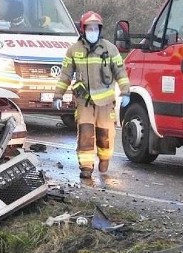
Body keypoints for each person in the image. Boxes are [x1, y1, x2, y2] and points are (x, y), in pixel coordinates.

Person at [52, 11, 130, 179]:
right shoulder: (74, 50)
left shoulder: (110, 49)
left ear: (100, 29)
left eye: (96, 28)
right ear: (83, 29)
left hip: (106, 102)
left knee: (105, 134)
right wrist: (58, 95)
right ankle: (86, 167)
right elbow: (65, 74)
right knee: (85, 134)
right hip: (84, 101)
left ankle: (104, 159)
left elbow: (120, 73)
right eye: (90, 28)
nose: (93, 31)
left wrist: (125, 92)